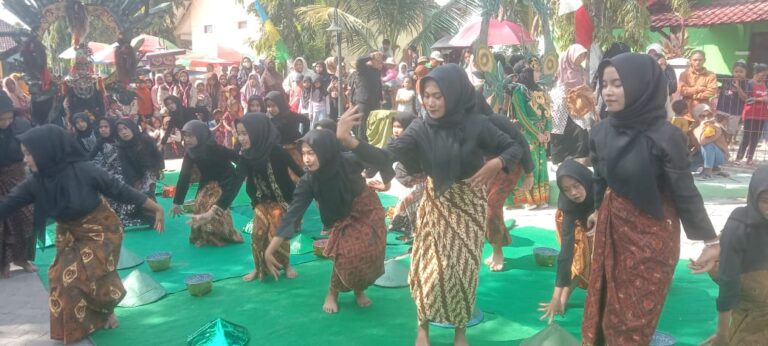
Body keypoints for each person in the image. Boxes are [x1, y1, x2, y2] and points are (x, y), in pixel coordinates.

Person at [336, 64, 525, 346]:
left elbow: (514, 147)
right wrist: (349, 142)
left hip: (469, 202)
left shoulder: (477, 124)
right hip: (436, 202)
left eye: (438, 95)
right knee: (427, 269)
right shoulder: (421, 126)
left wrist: (497, 163)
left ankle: (460, 331)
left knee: (463, 271)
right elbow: (386, 155)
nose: (431, 102)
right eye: (426, 95)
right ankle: (422, 326)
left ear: (453, 93)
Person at [584, 53, 720, 345]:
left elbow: (684, 190)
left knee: (636, 316)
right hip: (613, 226)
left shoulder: (666, 136)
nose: (608, 91)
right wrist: (597, 209)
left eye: (618, 84)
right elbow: (599, 176)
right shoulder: (600, 132)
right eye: (604, 84)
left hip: (654, 236)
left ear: (641, 85)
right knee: (607, 305)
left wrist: (710, 240)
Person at [0, 124, 164, 344]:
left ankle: (105, 310)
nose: (25, 161)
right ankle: (80, 324)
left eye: (29, 154)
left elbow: (119, 189)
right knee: (59, 275)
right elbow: (8, 204)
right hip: (69, 232)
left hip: (102, 229)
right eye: (24, 155)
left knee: (86, 273)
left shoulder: (86, 170)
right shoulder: (35, 182)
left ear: (47, 151)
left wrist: (154, 207)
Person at [264, 129, 390, 314]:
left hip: (366, 210)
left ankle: (358, 289)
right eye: (304, 153)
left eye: (311, 153)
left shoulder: (348, 161)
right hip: (341, 218)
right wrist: (270, 249)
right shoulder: (308, 181)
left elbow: (380, 158)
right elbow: (292, 215)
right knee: (347, 254)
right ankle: (332, 293)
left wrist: (386, 182)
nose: (306, 159)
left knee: (369, 252)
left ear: (325, 150)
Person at [703, 165, 768, 345]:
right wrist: (722, 333)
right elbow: (728, 280)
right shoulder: (740, 225)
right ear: (754, 197)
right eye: (766, 200)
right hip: (751, 301)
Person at [235, 113, 304, 281]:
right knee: (257, 234)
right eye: (239, 133)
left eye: (245, 133)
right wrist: (218, 207)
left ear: (257, 131)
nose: (241, 138)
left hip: (281, 201)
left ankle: (286, 265)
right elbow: (236, 179)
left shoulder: (277, 151)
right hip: (260, 201)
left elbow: (299, 171)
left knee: (277, 232)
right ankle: (258, 268)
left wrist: (315, 192)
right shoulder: (246, 155)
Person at [474, 92, 534, 271]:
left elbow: (521, 143)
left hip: (510, 165)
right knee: (485, 207)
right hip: (488, 166)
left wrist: (529, 174)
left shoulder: (497, 120)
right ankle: (499, 243)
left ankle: (498, 251)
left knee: (492, 205)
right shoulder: (467, 124)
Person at [170, 120, 244, 247]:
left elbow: (239, 160)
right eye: (185, 136)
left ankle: (225, 235)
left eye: (191, 136)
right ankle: (205, 236)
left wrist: (242, 173)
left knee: (215, 207)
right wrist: (177, 201)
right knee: (199, 204)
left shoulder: (216, 148)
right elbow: (184, 176)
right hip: (207, 181)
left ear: (200, 135)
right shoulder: (190, 152)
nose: (187, 139)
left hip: (226, 180)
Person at [539, 158, 594, 323]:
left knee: (588, 260)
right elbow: (565, 253)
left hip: (595, 218)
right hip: (571, 221)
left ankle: (566, 294)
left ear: (584, 179)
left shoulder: (600, 188)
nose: (573, 193)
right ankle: (562, 297)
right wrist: (556, 296)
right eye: (567, 189)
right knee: (578, 258)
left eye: (576, 185)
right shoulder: (568, 204)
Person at [508, 62, 552, 210]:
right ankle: (528, 199)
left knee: (541, 164)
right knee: (529, 163)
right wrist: (536, 133)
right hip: (526, 134)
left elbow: (547, 113)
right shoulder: (519, 91)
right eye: (536, 71)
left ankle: (540, 198)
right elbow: (521, 115)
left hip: (541, 134)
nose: (539, 74)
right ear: (527, 73)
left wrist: (547, 130)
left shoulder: (540, 89)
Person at [0, 93, 34, 278]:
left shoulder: (19, 127)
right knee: (2, 225)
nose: (6, 123)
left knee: (27, 217)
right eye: (1, 119)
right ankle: (2, 264)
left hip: (17, 177)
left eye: (9, 118)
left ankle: (22, 259)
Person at [89, 117, 143, 227]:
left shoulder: (121, 140)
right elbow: (89, 157)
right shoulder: (100, 142)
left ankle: (127, 214)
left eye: (106, 127)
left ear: (112, 128)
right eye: (100, 127)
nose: (103, 129)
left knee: (122, 184)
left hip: (125, 171)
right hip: (109, 172)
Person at [116, 119, 165, 227]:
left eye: (125, 128)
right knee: (135, 193)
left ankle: (153, 214)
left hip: (149, 171)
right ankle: (143, 213)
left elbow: (157, 154)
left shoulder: (145, 139)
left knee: (147, 192)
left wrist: (159, 169)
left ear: (132, 128)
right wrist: (134, 180)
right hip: (134, 176)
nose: (123, 132)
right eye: (120, 130)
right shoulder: (121, 147)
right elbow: (126, 167)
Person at [550, 44, 592, 165]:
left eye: (583, 56)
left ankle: (578, 159)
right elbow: (559, 86)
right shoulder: (562, 67)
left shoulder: (581, 70)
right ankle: (559, 159)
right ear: (572, 56)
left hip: (576, 105)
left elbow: (584, 86)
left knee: (579, 130)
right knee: (559, 131)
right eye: (579, 56)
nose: (581, 59)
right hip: (561, 104)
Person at [265, 91, 311, 180]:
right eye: (268, 106)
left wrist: (302, 138)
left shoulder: (290, 116)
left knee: (294, 176)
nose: (271, 109)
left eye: (274, 105)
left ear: (280, 104)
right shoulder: (268, 118)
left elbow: (306, 121)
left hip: (292, 151)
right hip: (276, 153)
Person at [736, 63, 768, 165]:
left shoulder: (765, 84)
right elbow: (748, 100)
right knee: (747, 136)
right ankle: (738, 158)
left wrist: (757, 99)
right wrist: (761, 99)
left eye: (766, 75)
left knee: (756, 137)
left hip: (762, 115)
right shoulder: (749, 84)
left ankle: (750, 158)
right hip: (750, 114)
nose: (764, 77)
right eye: (762, 75)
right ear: (756, 73)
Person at [353, 52, 384, 142]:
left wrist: (381, 99)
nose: (380, 63)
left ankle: (372, 143)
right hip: (363, 101)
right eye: (378, 61)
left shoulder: (377, 71)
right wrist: (371, 56)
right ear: (372, 60)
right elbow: (359, 61)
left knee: (374, 123)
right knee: (362, 125)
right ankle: (362, 145)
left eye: (381, 62)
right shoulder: (363, 68)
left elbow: (378, 85)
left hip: (375, 101)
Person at [716, 61, 749, 144]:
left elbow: (745, 98)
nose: (738, 74)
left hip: (735, 112)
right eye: (736, 72)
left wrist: (738, 87)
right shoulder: (726, 79)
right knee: (718, 130)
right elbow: (712, 75)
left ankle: (726, 149)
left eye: (741, 72)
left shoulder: (746, 83)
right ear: (732, 72)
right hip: (722, 110)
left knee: (729, 133)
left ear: (745, 73)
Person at [693, 104, 729, 179]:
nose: (706, 118)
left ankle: (708, 171)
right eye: (702, 116)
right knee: (686, 167)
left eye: (709, 115)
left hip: (720, 157)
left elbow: (703, 141)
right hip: (701, 155)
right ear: (696, 116)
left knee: (707, 145)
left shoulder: (716, 126)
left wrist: (702, 125)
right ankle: (715, 169)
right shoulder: (695, 127)